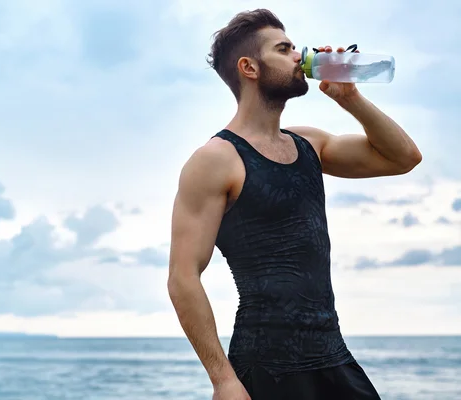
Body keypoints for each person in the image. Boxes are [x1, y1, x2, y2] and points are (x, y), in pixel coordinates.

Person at [166, 8, 422, 400]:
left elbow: (403, 158)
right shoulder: (216, 160)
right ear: (249, 67)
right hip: (266, 365)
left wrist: (350, 98)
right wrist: (223, 379)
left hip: (333, 355)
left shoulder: (310, 144)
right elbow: (183, 277)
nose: (298, 56)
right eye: (284, 49)